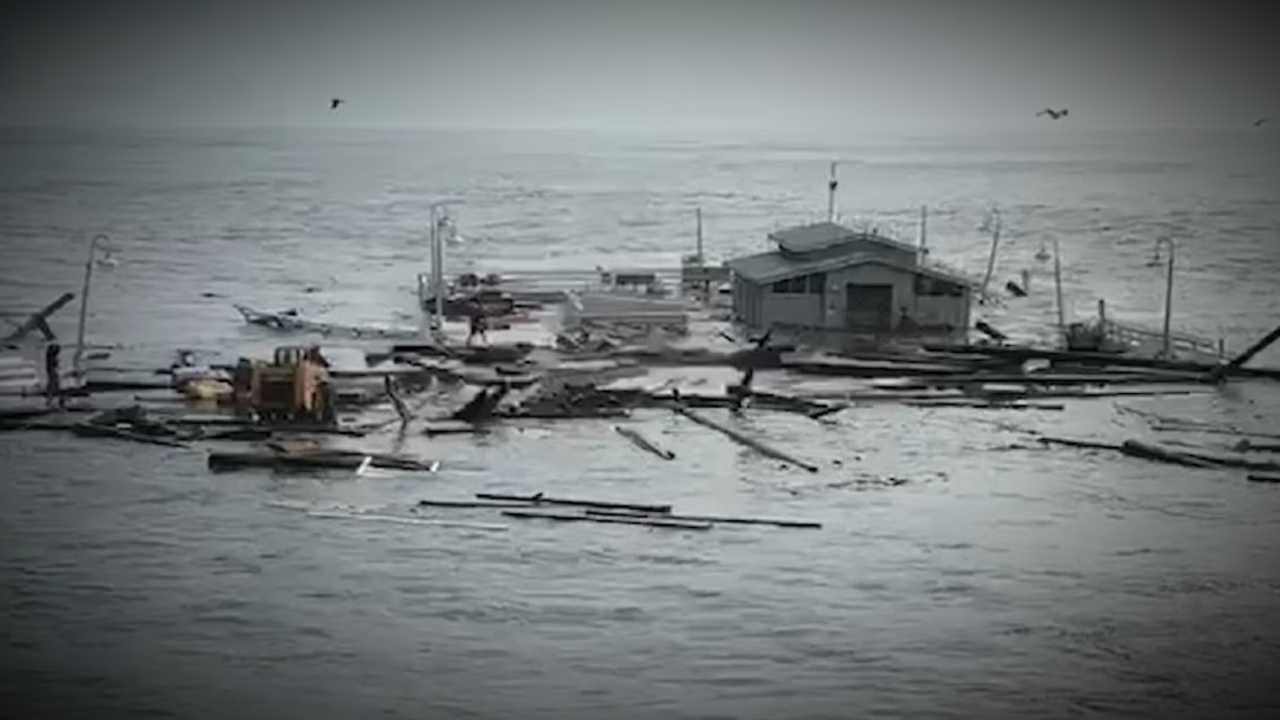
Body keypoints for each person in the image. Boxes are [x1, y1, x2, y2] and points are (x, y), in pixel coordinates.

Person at [45, 342, 63, 408]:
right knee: (53, 384)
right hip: (52, 371)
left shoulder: (50, 356)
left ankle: (58, 399)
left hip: (52, 370)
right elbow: (55, 364)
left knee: (55, 384)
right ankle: (52, 400)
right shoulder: (51, 356)